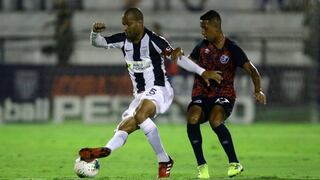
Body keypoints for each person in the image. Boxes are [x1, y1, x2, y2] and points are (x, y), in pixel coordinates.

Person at [78, 8, 222, 178]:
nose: (125, 28)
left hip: (160, 90)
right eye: (123, 24)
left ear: (139, 23)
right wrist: (94, 33)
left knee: (140, 115)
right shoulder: (123, 40)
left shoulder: (154, 40)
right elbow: (99, 43)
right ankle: (107, 149)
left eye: (128, 24)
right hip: (140, 96)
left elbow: (178, 58)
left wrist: (203, 72)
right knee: (124, 127)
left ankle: (163, 160)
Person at [176, 10, 267, 178]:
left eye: (205, 28)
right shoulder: (202, 46)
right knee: (192, 117)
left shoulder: (232, 49)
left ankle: (234, 163)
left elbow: (252, 71)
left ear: (216, 27)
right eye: (201, 28)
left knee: (215, 120)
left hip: (223, 95)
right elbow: (188, 63)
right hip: (201, 94)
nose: (202, 32)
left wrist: (257, 90)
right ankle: (202, 166)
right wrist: (179, 57)